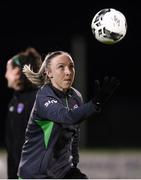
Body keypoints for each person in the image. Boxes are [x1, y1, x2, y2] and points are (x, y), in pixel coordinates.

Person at [18, 50, 120, 179]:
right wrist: (95, 104)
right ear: (49, 73)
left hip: (63, 171)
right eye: (61, 67)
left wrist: (74, 165)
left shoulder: (76, 96)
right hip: (36, 173)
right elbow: (67, 117)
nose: (68, 72)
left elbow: (74, 134)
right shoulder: (44, 96)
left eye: (71, 66)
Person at [5, 47, 42, 179]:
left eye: (7, 70)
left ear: (16, 72)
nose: (5, 75)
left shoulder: (37, 100)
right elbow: (12, 145)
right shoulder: (15, 100)